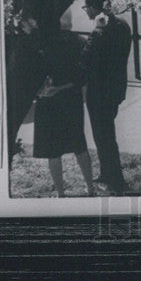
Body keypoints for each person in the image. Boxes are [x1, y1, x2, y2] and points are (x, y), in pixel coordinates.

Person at [32, 10, 95, 197]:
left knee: (53, 151)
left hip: (48, 102)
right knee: (79, 145)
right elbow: (83, 76)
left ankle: (60, 192)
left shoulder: (44, 43)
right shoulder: (81, 43)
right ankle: (90, 187)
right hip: (71, 100)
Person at [79, 0, 133, 195]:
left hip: (99, 91)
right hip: (116, 88)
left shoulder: (100, 31)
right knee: (106, 134)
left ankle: (114, 178)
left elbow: (87, 58)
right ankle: (107, 173)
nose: (85, 12)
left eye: (86, 8)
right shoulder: (123, 26)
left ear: (94, 8)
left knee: (103, 136)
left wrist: (96, 31)